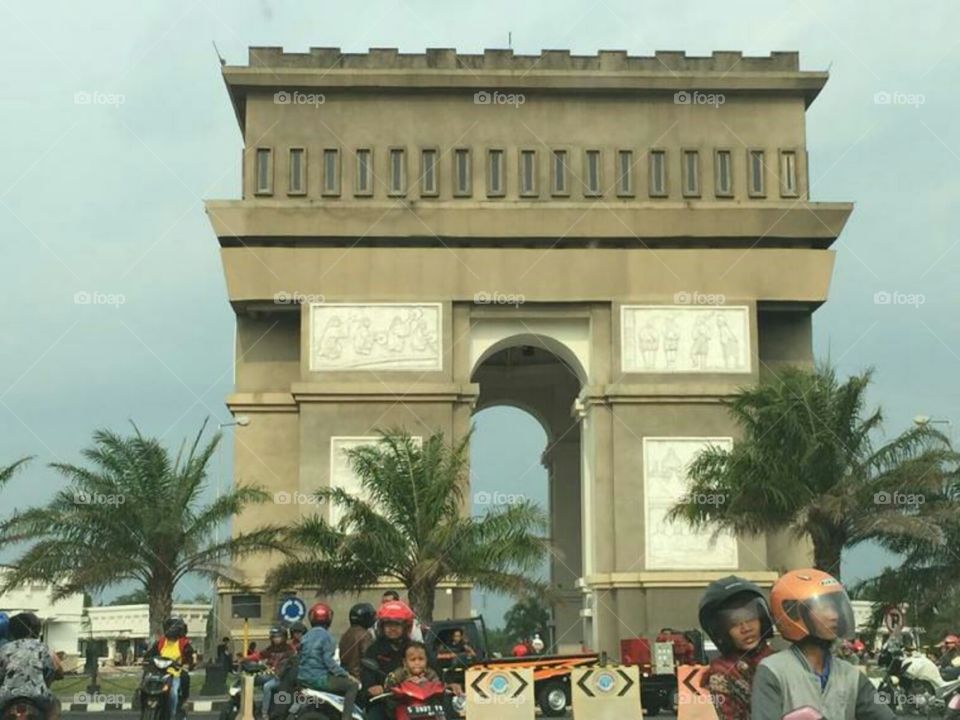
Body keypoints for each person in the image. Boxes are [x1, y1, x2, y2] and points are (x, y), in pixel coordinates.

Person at [751, 569, 894, 720]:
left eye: (835, 607)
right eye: (824, 607)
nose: (834, 615)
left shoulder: (851, 675)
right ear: (794, 614)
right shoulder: (773, 671)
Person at [698, 575, 774, 720]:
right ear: (722, 631)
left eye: (750, 618)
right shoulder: (721, 674)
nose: (746, 628)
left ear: (762, 618)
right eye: (734, 623)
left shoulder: (782, 661)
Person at [297, 602, 359, 720]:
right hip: (318, 679)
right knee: (352, 686)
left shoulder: (305, 637)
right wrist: (346, 675)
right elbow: (329, 662)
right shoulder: (327, 637)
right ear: (329, 619)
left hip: (303, 678)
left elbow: (300, 656)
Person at [0, 613, 62, 720]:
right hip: (38, 696)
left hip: (6, 697)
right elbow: (51, 670)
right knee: (55, 706)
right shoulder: (43, 648)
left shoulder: (4, 649)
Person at [362, 601, 416, 720]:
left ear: (406, 626)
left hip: (413, 699)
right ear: (382, 627)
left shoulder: (415, 648)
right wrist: (372, 687)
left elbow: (432, 668)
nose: (392, 628)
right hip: (383, 701)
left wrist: (448, 684)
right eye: (388, 624)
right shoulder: (374, 649)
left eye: (397, 624)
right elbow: (367, 674)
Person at [144, 617, 195, 720]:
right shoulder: (161, 642)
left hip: (174, 674)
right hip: (158, 674)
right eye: (169, 627)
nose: (171, 630)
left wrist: (188, 664)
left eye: (174, 628)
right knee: (144, 686)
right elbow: (150, 654)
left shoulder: (183, 643)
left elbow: (190, 657)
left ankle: (172, 715)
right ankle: (144, 710)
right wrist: (145, 659)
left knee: (173, 693)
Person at [258, 627, 294, 720]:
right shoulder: (271, 648)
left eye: (278, 637)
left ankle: (264, 713)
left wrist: (278, 670)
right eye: (274, 637)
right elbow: (259, 655)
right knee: (256, 679)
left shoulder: (289, 649)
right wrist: (247, 660)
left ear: (284, 637)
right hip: (272, 675)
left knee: (267, 686)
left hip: (282, 678)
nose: (276, 639)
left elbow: (288, 665)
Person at [340, 603, 376, 680]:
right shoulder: (365, 635)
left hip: (345, 676)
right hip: (359, 678)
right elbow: (369, 657)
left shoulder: (346, 633)